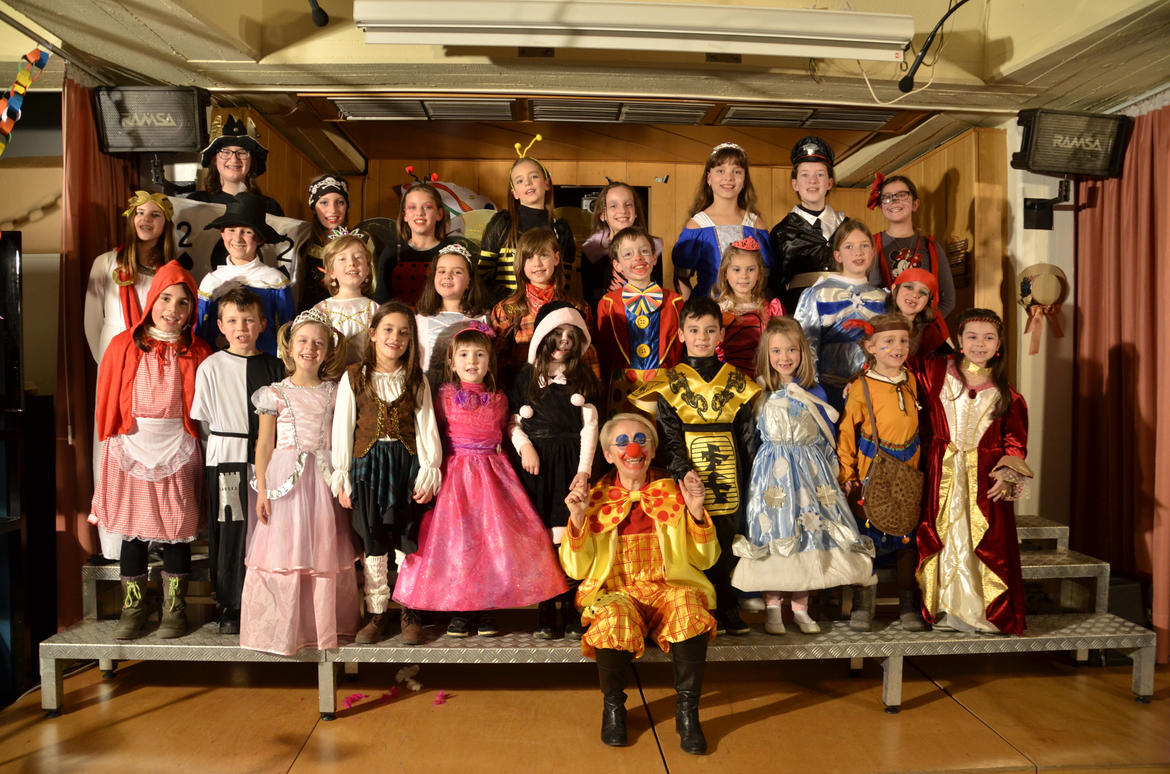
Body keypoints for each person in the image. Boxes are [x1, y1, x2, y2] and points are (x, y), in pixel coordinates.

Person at [392, 322, 568, 637]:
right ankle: (461, 611)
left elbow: (508, 428)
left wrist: (523, 446)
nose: (471, 361)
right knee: (459, 544)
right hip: (455, 478)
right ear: (451, 361)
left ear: (490, 362)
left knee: (491, 543)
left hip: (492, 477)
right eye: (464, 355)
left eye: (479, 355)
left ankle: (487, 609)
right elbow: (432, 434)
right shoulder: (445, 396)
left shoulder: (499, 398)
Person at [561, 413, 718, 755]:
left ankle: (687, 713)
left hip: (667, 589)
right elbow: (576, 568)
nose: (633, 449)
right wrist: (577, 518)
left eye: (641, 440)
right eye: (622, 442)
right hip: (618, 593)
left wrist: (695, 511)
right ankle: (613, 708)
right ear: (608, 454)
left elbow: (705, 560)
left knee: (689, 607)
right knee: (613, 618)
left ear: (653, 450)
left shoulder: (672, 492)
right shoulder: (594, 498)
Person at [90, 261, 212, 640]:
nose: (173, 309)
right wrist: (109, 439)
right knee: (134, 535)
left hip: (178, 447)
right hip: (131, 447)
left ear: (192, 310)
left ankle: (174, 609)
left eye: (183, 303)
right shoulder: (123, 345)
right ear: (152, 300)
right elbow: (107, 396)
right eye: (166, 299)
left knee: (176, 533)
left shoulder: (199, 351)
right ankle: (134, 608)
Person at [731, 317, 874, 635]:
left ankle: (800, 608)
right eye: (777, 351)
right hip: (772, 475)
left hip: (810, 473)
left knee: (807, 532)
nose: (784, 357)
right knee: (775, 532)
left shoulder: (815, 390)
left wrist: (835, 473)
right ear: (766, 355)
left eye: (791, 350)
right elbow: (752, 438)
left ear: (802, 352)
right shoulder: (759, 391)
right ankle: (772, 608)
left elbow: (825, 435)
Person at [630, 297, 762, 635]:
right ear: (682, 334)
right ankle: (698, 606)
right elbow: (669, 436)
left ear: (720, 335)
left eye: (709, 330)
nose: (702, 337)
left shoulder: (736, 381)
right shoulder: (670, 383)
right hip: (687, 473)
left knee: (728, 538)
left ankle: (728, 605)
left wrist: (752, 480)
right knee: (692, 539)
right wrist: (682, 470)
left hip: (730, 474)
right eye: (694, 330)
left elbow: (747, 436)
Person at [241, 309, 358, 655]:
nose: (310, 348)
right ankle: (282, 631)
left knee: (323, 551)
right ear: (289, 347)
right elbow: (264, 444)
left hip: (323, 479)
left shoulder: (335, 392)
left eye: (318, 343)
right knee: (285, 551)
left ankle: (321, 627)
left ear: (329, 350)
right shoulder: (274, 393)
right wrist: (262, 490)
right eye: (303, 341)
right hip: (285, 481)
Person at [332, 302, 441, 645]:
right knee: (373, 539)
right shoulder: (354, 377)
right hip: (367, 466)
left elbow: (426, 426)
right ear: (373, 334)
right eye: (388, 330)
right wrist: (342, 475)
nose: (396, 338)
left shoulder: (416, 379)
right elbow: (343, 428)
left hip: (405, 464)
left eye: (404, 332)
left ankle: (409, 609)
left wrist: (429, 469)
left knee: (407, 537)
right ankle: (377, 612)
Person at [916, 309, 1031, 634]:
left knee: (979, 540)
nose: (980, 344)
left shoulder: (1008, 395)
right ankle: (944, 609)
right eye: (973, 337)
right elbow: (899, 365)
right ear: (960, 342)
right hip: (943, 473)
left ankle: (981, 613)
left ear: (999, 345)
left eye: (988, 338)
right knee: (946, 536)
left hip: (984, 480)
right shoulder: (937, 372)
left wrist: (1007, 474)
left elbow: (1015, 444)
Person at [84, 190, 177, 561]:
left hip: (156, 369)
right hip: (115, 365)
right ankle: (115, 540)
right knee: (113, 447)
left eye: (155, 215)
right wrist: (111, 366)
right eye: (140, 213)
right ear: (130, 218)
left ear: (166, 223)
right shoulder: (106, 263)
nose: (146, 221)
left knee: (152, 447)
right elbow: (92, 323)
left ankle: (154, 534)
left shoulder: (170, 269)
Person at [189, 287, 285, 634]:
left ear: (262, 324)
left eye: (248, 320)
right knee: (230, 530)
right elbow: (203, 421)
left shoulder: (276, 366)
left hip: (266, 459)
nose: (241, 328)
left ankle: (268, 602)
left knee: (266, 529)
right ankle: (231, 604)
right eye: (232, 321)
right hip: (226, 458)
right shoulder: (210, 367)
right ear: (220, 326)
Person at [508, 301, 600, 639]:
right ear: (544, 336)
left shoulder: (583, 378)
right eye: (557, 333)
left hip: (569, 463)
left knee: (569, 534)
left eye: (570, 335)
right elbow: (512, 422)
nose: (564, 341)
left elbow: (590, 427)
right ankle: (546, 608)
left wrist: (584, 471)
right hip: (536, 467)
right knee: (542, 538)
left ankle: (573, 608)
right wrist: (525, 447)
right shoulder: (525, 378)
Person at [836, 314, 924, 632]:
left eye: (903, 341)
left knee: (906, 540)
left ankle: (908, 604)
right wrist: (847, 475)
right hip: (871, 472)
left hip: (908, 471)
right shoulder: (861, 387)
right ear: (871, 347)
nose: (897, 347)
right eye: (888, 342)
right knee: (867, 539)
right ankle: (863, 603)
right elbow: (847, 433)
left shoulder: (913, 380)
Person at [793, 218, 888, 412]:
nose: (858, 252)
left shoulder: (883, 298)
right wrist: (813, 388)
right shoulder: (819, 293)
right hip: (827, 389)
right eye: (849, 247)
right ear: (837, 255)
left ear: (873, 252)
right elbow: (806, 343)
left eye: (864, 245)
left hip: (872, 388)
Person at [490, 226, 598, 387]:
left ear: (556, 258)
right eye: (529, 257)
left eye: (543, 255)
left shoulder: (577, 308)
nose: (537, 263)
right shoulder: (506, 309)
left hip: (567, 392)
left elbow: (587, 359)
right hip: (521, 392)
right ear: (521, 263)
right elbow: (498, 363)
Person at [594, 226, 684, 415]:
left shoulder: (675, 302)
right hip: (622, 389)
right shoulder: (608, 303)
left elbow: (681, 350)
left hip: (666, 390)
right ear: (617, 265)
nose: (638, 258)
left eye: (644, 251)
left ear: (654, 257)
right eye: (628, 254)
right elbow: (603, 352)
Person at [196, 193, 296, 357]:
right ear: (222, 233)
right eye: (231, 230)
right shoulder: (211, 282)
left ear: (260, 238)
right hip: (220, 361)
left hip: (266, 362)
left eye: (247, 232)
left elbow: (287, 329)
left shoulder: (275, 280)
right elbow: (200, 331)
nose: (237, 238)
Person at [672, 142, 774, 301]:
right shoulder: (697, 225)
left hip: (749, 309)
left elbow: (766, 277)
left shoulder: (755, 224)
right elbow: (681, 276)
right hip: (709, 309)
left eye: (737, 171)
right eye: (720, 171)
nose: (729, 178)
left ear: (744, 179)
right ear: (709, 178)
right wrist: (691, 308)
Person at [478, 136, 576, 300]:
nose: (528, 183)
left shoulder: (560, 229)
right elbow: (483, 276)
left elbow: (564, 281)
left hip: (548, 309)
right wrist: (511, 305)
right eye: (520, 180)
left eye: (534, 176)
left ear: (547, 183)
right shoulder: (501, 224)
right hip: (506, 308)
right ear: (514, 193)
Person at [769, 136, 848, 312]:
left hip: (845, 312)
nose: (813, 181)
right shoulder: (781, 232)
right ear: (795, 184)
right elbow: (773, 285)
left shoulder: (848, 228)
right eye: (805, 175)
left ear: (830, 182)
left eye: (820, 174)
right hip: (799, 314)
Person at [867, 174, 956, 318]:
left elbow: (948, 300)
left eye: (902, 195)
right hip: (882, 326)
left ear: (915, 204)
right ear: (881, 206)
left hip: (923, 329)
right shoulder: (869, 245)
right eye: (887, 197)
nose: (894, 200)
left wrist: (921, 326)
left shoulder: (931, 247)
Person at [375, 180, 468, 307]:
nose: (419, 213)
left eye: (427, 207)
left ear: (439, 214)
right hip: (400, 318)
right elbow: (381, 301)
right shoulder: (392, 252)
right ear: (404, 215)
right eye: (412, 207)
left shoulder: (453, 252)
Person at [414, 243, 491, 390]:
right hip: (426, 391)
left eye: (457, 272)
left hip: (464, 394)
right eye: (441, 271)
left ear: (469, 281)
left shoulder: (481, 319)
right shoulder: (420, 319)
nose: (447, 276)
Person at [710, 235, 783, 378]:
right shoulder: (718, 312)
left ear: (759, 273)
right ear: (725, 274)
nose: (744, 276)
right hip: (728, 379)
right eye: (736, 270)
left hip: (764, 379)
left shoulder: (771, 310)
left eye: (750, 269)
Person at [579, 182, 662, 306]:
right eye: (613, 206)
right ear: (603, 214)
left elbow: (657, 291)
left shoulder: (652, 246)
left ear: (636, 212)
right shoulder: (592, 251)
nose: (622, 210)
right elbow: (590, 298)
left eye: (628, 204)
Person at [311, 230, 378, 365]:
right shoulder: (320, 310)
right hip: (330, 374)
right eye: (342, 259)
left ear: (367, 269)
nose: (352, 263)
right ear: (332, 271)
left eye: (358, 257)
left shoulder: (375, 309)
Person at [891, 267, 953, 388]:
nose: (915, 295)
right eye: (909, 287)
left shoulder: (931, 336)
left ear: (928, 302)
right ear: (894, 289)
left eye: (923, 292)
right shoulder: (876, 326)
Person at [299, 173, 351, 311]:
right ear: (314, 208)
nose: (333, 210)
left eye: (340, 202)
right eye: (324, 203)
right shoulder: (304, 246)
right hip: (312, 317)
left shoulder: (360, 244)